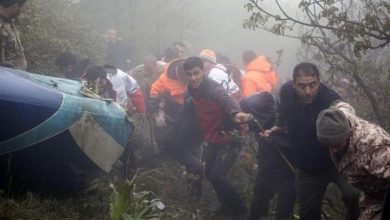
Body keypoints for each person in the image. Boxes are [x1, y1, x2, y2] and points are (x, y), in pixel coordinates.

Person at [262, 62, 360, 220]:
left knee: (354, 195)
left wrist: (346, 116)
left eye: (313, 85)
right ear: (293, 84)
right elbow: (281, 108)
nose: (308, 91)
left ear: (319, 82)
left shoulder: (330, 98)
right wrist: (278, 126)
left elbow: (345, 112)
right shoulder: (286, 92)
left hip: (338, 163)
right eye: (302, 86)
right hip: (307, 167)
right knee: (308, 214)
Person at [183, 56, 251, 218]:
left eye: (196, 73)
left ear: (202, 71)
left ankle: (241, 210)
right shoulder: (191, 90)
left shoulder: (212, 89)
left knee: (218, 176)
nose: (193, 78)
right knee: (210, 174)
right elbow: (188, 109)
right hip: (212, 138)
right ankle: (226, 204)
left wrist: (236, 113)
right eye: (190, 74)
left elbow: (226, 100)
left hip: (229, 138)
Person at [316, 101, 390, 220]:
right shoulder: (340, 117)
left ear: (348, 134)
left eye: (338, 144)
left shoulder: (374, 149)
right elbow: (344, 105)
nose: (333, 150)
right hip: (371, 194)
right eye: (329, 145)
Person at [240, 92, 296, 220]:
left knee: (283, 211)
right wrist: (245, 116)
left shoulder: (282, 121)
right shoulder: (256, 112)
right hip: (266, 169)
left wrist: (275, 139)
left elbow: (294, 143)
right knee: (258, 202)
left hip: (287, 173)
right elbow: (243, 104)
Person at [0, 0, 27, 70]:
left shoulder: (11, 21)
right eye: (22, 7)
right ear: (15, 6)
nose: (22, 10)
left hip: (17, 76)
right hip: (5, 78)